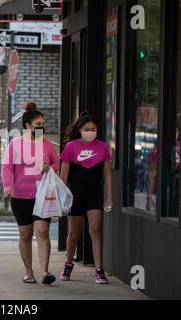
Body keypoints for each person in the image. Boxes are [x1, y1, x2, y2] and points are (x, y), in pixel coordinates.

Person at [2, 102, 60, 285]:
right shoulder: (15, 144)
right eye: (38, 124)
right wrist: (7, 186)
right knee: (25, 235)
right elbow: (7, 167)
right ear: (28, 126)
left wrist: (49, 167)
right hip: (20, 196)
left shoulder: (48, 145)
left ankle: (45, 272)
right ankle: (28, 271)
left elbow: (57, 163)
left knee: (42, 232)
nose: (42, 127)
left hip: (43, 195)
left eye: (43, 123)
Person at [59, 112, 113, 284]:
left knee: (95, 230)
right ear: (80, 130)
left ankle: (99, 270)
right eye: (86, 129)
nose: (90, 132)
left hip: (94, 194)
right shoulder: (71, 147)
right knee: (74, 233)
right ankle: (68, 265)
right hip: (75, 194)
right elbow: (64, 175)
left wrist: (110, 196)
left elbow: (107, 175)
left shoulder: (103, 147)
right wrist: (61, 197)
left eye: (93, 129)